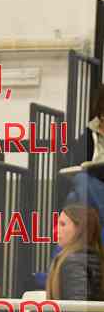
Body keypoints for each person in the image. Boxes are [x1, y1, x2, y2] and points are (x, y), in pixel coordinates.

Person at [64, 83, 104, 228]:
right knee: (81, 181)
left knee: (74, 197)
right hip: (94, 182)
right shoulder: (87, 136)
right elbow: (77, 164)